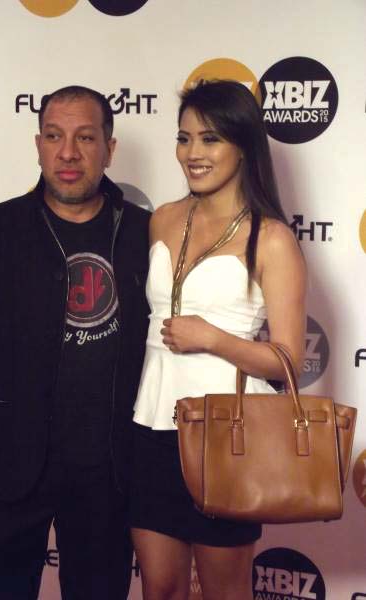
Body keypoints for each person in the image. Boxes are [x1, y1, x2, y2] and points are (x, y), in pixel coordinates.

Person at [0, 85, 150, 600]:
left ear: (109, 149)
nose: (68, 153)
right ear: (38, 145)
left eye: (85, 138)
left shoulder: (146, 233)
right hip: (8, 462)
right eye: (54, 136)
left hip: (110, 471)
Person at [130, 80, 306, 600]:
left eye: (210, 139)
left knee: (225, 592)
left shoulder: (271, 238)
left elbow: (288, 362)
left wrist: (212, 337)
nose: (193, 153)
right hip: (151, 425)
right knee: (160, 589)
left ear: (243, 145)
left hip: (227, 435)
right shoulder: (163, 219)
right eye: (184, 138)